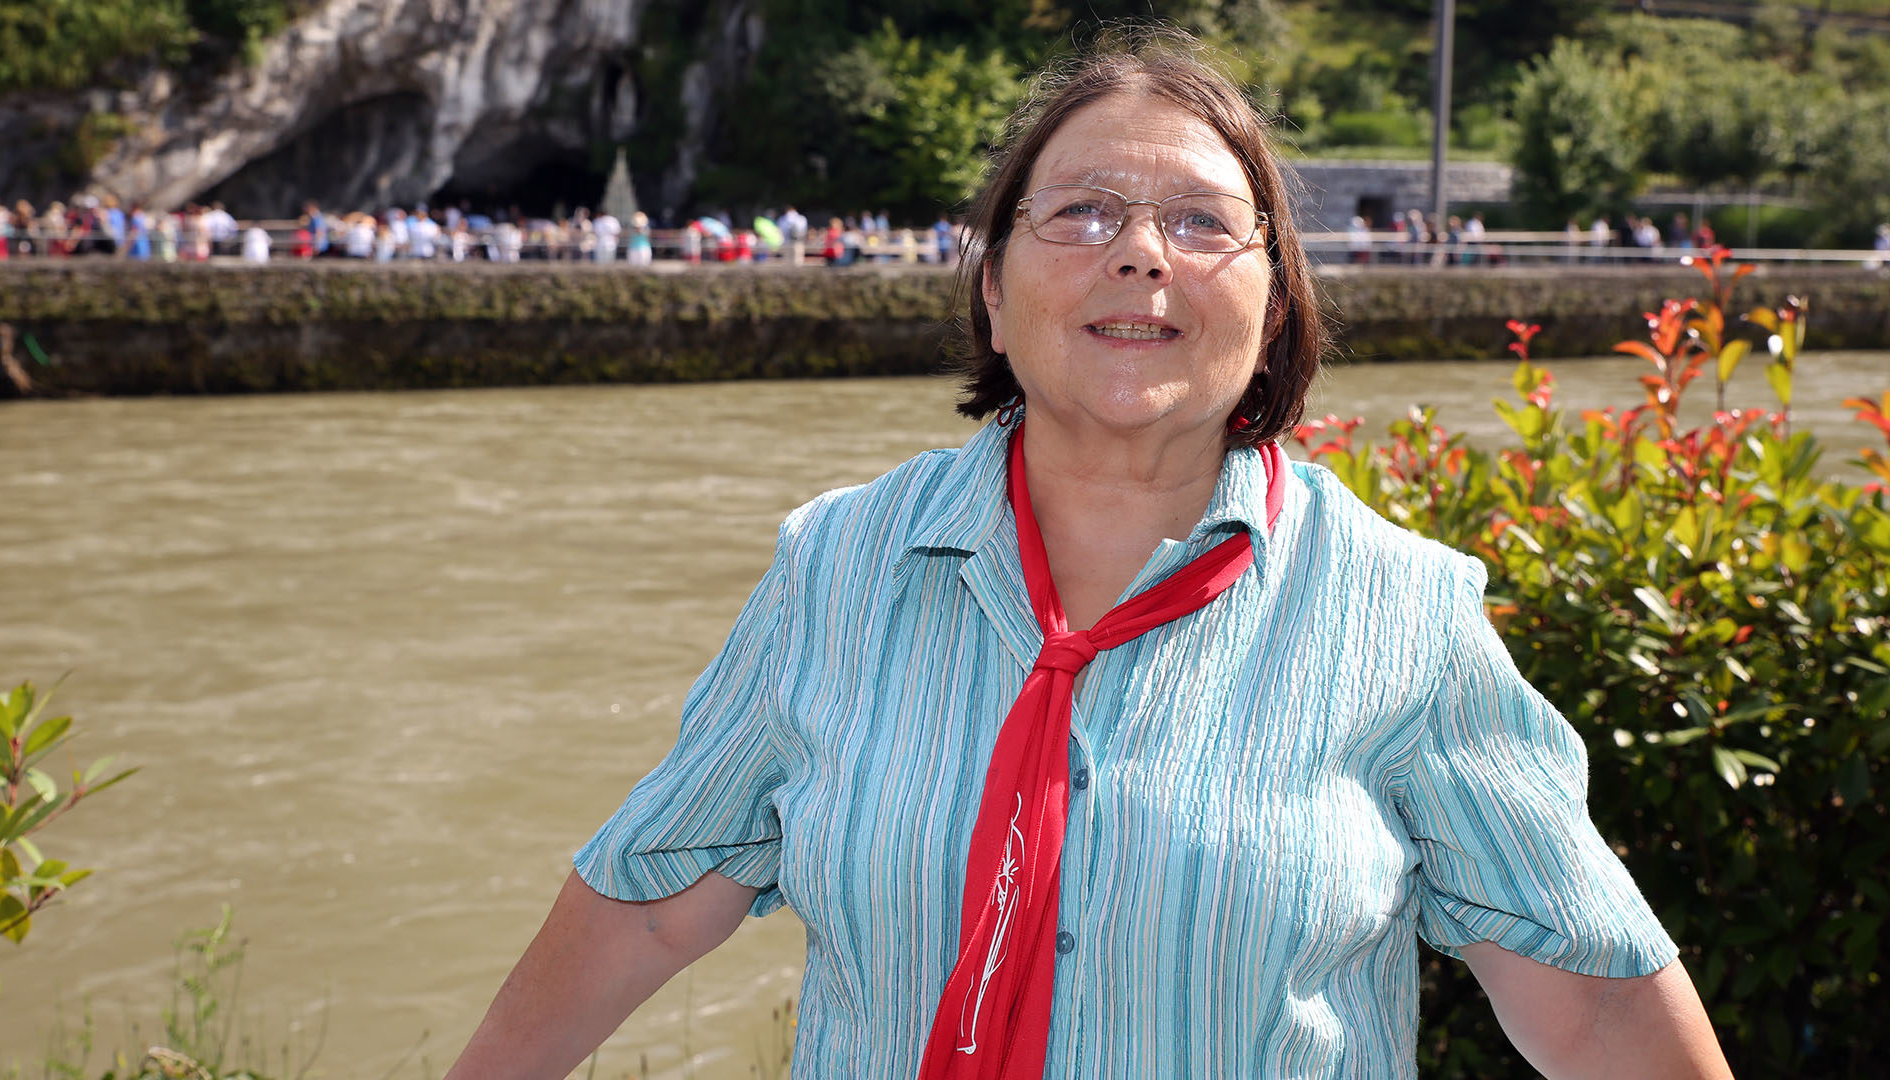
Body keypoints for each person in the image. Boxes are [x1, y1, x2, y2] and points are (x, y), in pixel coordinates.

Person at [445, 33, 1738, 1077]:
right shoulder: (836, 565)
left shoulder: (1402, 610)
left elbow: (1591, 1007)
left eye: (1198, 220)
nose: (1140, 249)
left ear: (1276, 300)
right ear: (995, 294)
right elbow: (658, 898)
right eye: (1082, 212)